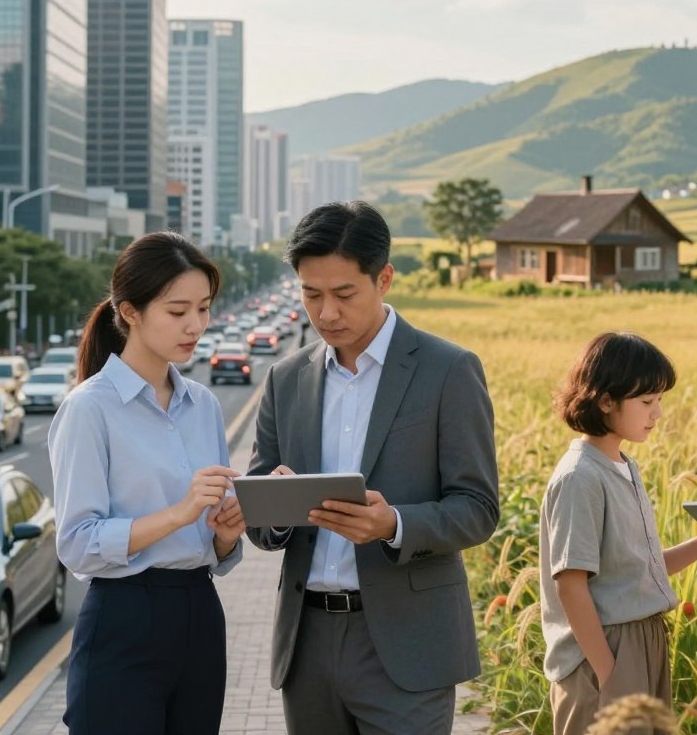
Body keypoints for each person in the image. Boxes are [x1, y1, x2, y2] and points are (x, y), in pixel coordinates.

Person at [245, 201, 499, 735]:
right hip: (306, 643)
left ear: (384, 278)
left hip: (409, 648)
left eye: (343, 294)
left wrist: (394, 525)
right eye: (311, 295)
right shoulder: (286, 378)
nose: (326, 313)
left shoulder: (448, 370)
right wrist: (275, 507)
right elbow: (260, 518)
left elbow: (477, 508)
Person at [49, 231, 245, 735]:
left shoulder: (202, 404)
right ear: (130, 311)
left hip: (200, 615)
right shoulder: (88, 409)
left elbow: (212, 544)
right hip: (123, 617)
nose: (196, 325)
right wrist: (179, 513)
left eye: (203, 308)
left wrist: (224, 534)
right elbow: (77, 544)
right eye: (177, 311)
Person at [539, 332, 697, 735]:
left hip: (642, 643)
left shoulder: (623, 466)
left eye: (659, 401)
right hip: (604, 649)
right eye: (646, 402)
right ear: (605, 401)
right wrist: (610, 673)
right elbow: (571, 586)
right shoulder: (580, 477)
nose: (657, 414)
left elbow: (636, 571)